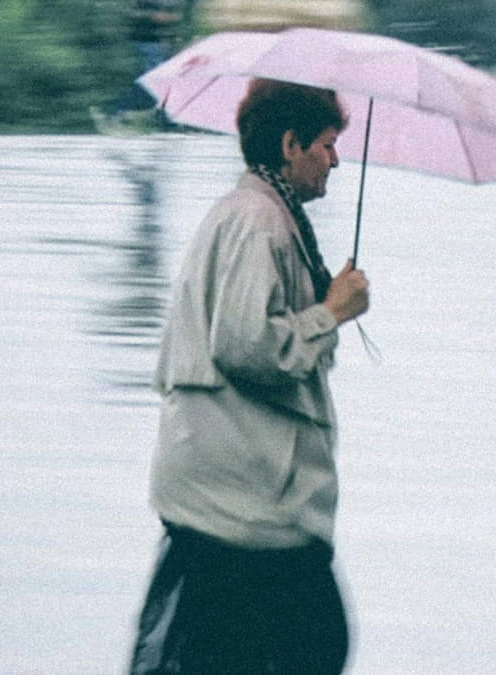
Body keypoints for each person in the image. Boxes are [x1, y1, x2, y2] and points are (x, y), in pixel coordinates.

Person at [130, 79, 370, 674]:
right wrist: (331, 312)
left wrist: (325, 305)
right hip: (242, 504)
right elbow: (246, 345)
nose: (336, 160)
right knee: (311, 644)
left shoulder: (263, 215)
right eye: (327, 144)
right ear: (290, 145)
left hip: (235, 496)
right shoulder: (258, 221)